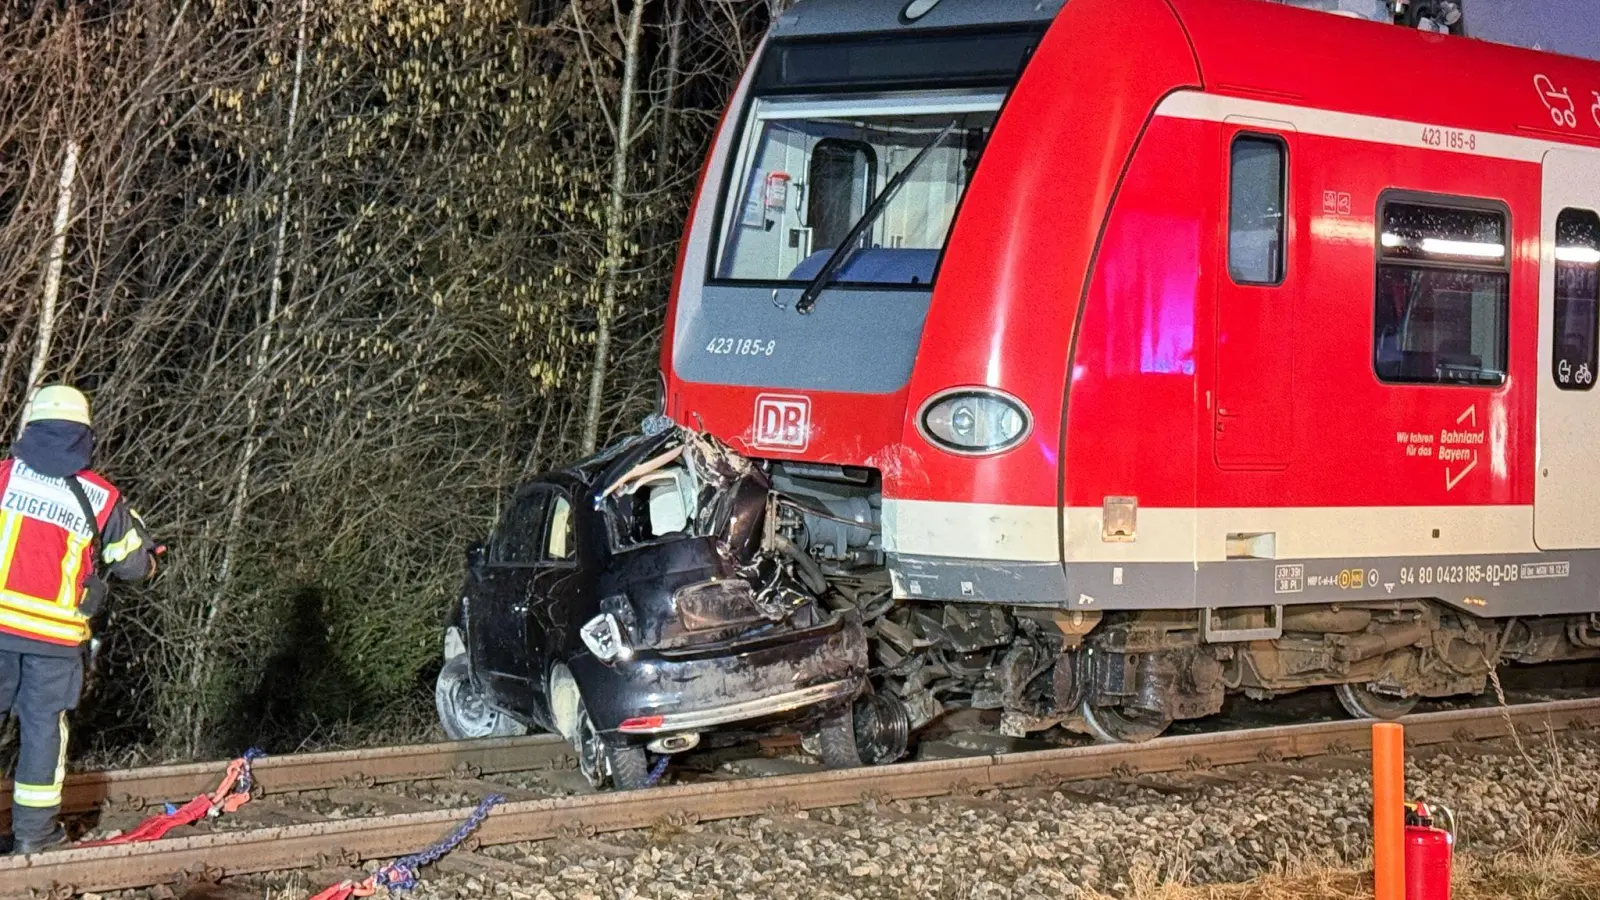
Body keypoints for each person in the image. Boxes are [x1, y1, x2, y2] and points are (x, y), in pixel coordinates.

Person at [0, 385, 156, 854]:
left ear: (31, 428)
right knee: (43, 730)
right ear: (84, 435)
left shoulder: (4, 477)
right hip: (55, 641)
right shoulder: (101, 497)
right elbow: (134, 566)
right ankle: (33, 837)